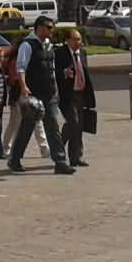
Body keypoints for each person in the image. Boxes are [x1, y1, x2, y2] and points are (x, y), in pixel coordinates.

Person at [8, 17, 74, 175]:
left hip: (49, 93)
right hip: (34, 94)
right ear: (39, 28)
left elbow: (51, 69)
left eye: (52, 27)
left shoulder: (49, 46)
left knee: (52, 126)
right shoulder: (28, 45)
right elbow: (21, 68)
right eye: (49, 27)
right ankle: (14, 159)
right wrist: (24, 86)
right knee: (27, 127)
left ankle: (60, 161)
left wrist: (58, 83)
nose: (51, 30)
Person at [1, 36, 51, 160]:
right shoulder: (16, 60)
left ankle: (44, 149)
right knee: (19, 122)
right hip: (19, 92)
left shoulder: (17, 57)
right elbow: (15, 77)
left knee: (32, 121)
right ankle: (8, 148)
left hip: (23, 92)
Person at [54, 29, 97, 168]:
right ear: (68, 40)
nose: (79, 42)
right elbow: (54, 72)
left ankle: (76, 157)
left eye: (79, 39)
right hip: (67, 95)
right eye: (76, 39)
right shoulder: (59, 53)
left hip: (81, 93)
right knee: (73, 122)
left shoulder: (82, 53)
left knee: (79, 126)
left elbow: (85, 72)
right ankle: (58, 146)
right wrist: (63, 73)